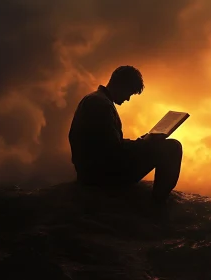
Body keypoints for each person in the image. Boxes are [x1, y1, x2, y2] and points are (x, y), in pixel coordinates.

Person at [68, 65, 183, 203]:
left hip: (92, 171)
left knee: (159, 144)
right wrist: (144, 143)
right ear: (120, 85)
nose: (128, 98)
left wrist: (142, 141)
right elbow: (112, 150)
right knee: (172, 147)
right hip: (101, 176)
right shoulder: (102, 105)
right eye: (129, 92)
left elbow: (108, 143)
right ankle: (158, 203)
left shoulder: (94, 99)